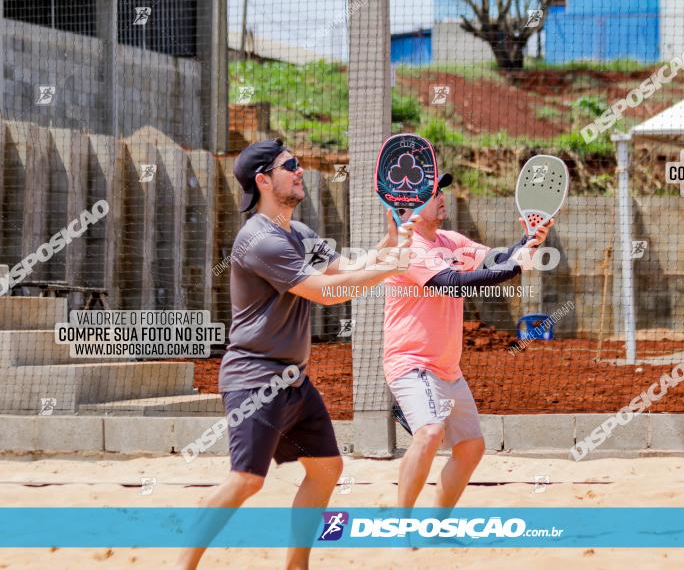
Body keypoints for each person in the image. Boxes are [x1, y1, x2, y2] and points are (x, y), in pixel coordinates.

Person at [175, 138, 415, 570]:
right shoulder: (259, 240)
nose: (301, 170)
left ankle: (296, 566)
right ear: (264, 180)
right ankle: (182, 565)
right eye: (291, 165)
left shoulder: (297, 233)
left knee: (326, 467)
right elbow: (324, 292)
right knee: (246, 480)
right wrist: (388, 269)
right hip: (255, 378)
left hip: (292, 379)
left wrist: (390, 242)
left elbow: (345, 267)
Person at [383, 172, 554, 509]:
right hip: (411, 362)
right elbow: (450, 282)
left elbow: (499, 261)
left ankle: (436, 525)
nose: (442, 195)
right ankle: (400, 522)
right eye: (433, 193)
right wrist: (514, 267)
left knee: (472, 448)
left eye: (441, 189)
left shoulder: (449, 241)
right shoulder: (409, 248)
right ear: (410, 206)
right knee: (430, 434)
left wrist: (529, 239)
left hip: (447, 368)